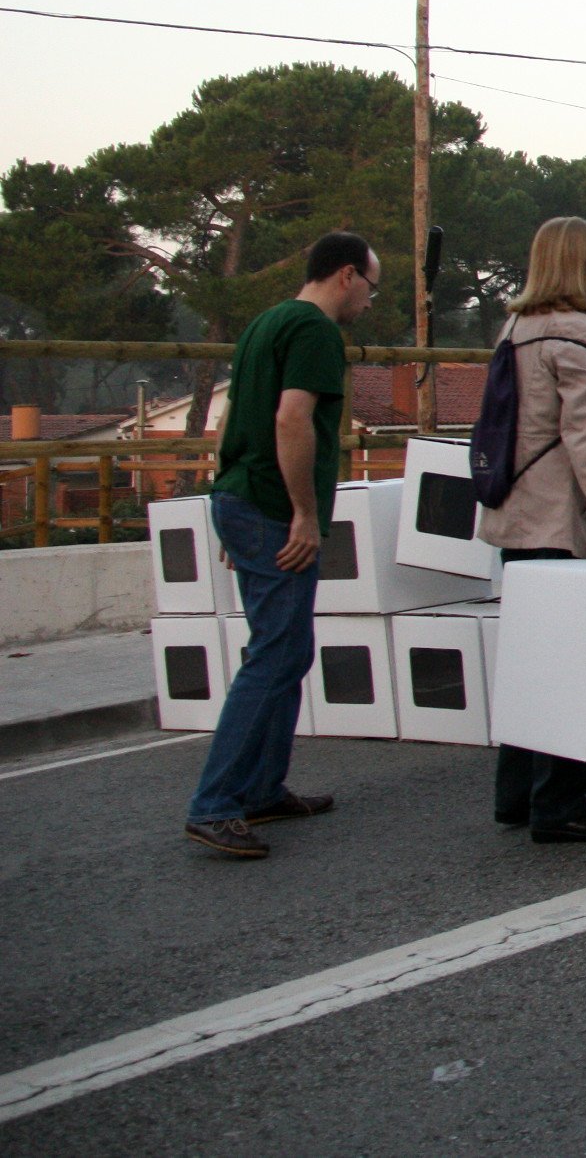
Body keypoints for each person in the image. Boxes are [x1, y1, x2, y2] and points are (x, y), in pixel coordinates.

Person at [182, 231, 380, 859]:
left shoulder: (265, 323)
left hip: (243, 497)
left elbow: (234, 416)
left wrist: (229, 502)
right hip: (272, 505)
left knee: (286, 650)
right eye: (371, 288)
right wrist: (301, 511)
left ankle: (262, 788)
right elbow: (291, 419)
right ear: (346, 275)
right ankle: (215, 803)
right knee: (274, 654)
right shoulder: (317, 331)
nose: (370, 302)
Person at [479, 217, 586, 846]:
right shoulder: (582, 335)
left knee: (531, 661)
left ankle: (516, 794)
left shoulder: (517, 329)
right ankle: (561, 802)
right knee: (572, 664)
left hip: (516, 518)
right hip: (561, 520)